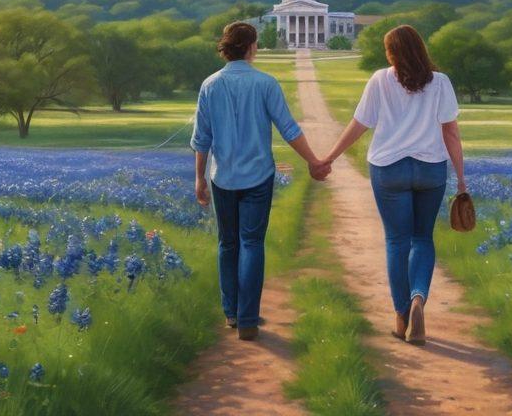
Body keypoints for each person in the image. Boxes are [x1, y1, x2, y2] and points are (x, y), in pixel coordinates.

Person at [319, 24, 466, 346]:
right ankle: (418, 299)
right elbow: (451, 133)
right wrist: (461, 180)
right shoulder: (440, 82)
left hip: (388, 168)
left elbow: (359, 124)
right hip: (431, 169)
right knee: (422, 239)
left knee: (397, 242)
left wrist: (329, 158)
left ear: (391, 53)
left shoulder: (380, 79)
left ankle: (401, 317)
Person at [191, 21, 330, 341]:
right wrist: (314, 162)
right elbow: (289, 129)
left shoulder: (209, 84)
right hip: (258, 176)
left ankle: (231, 313)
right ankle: (249, 318)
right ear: (252, 47)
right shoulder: (265, 83)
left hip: (222, 176)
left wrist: (199, 178)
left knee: (227, 244)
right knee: (251, 243)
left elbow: (202, 139)